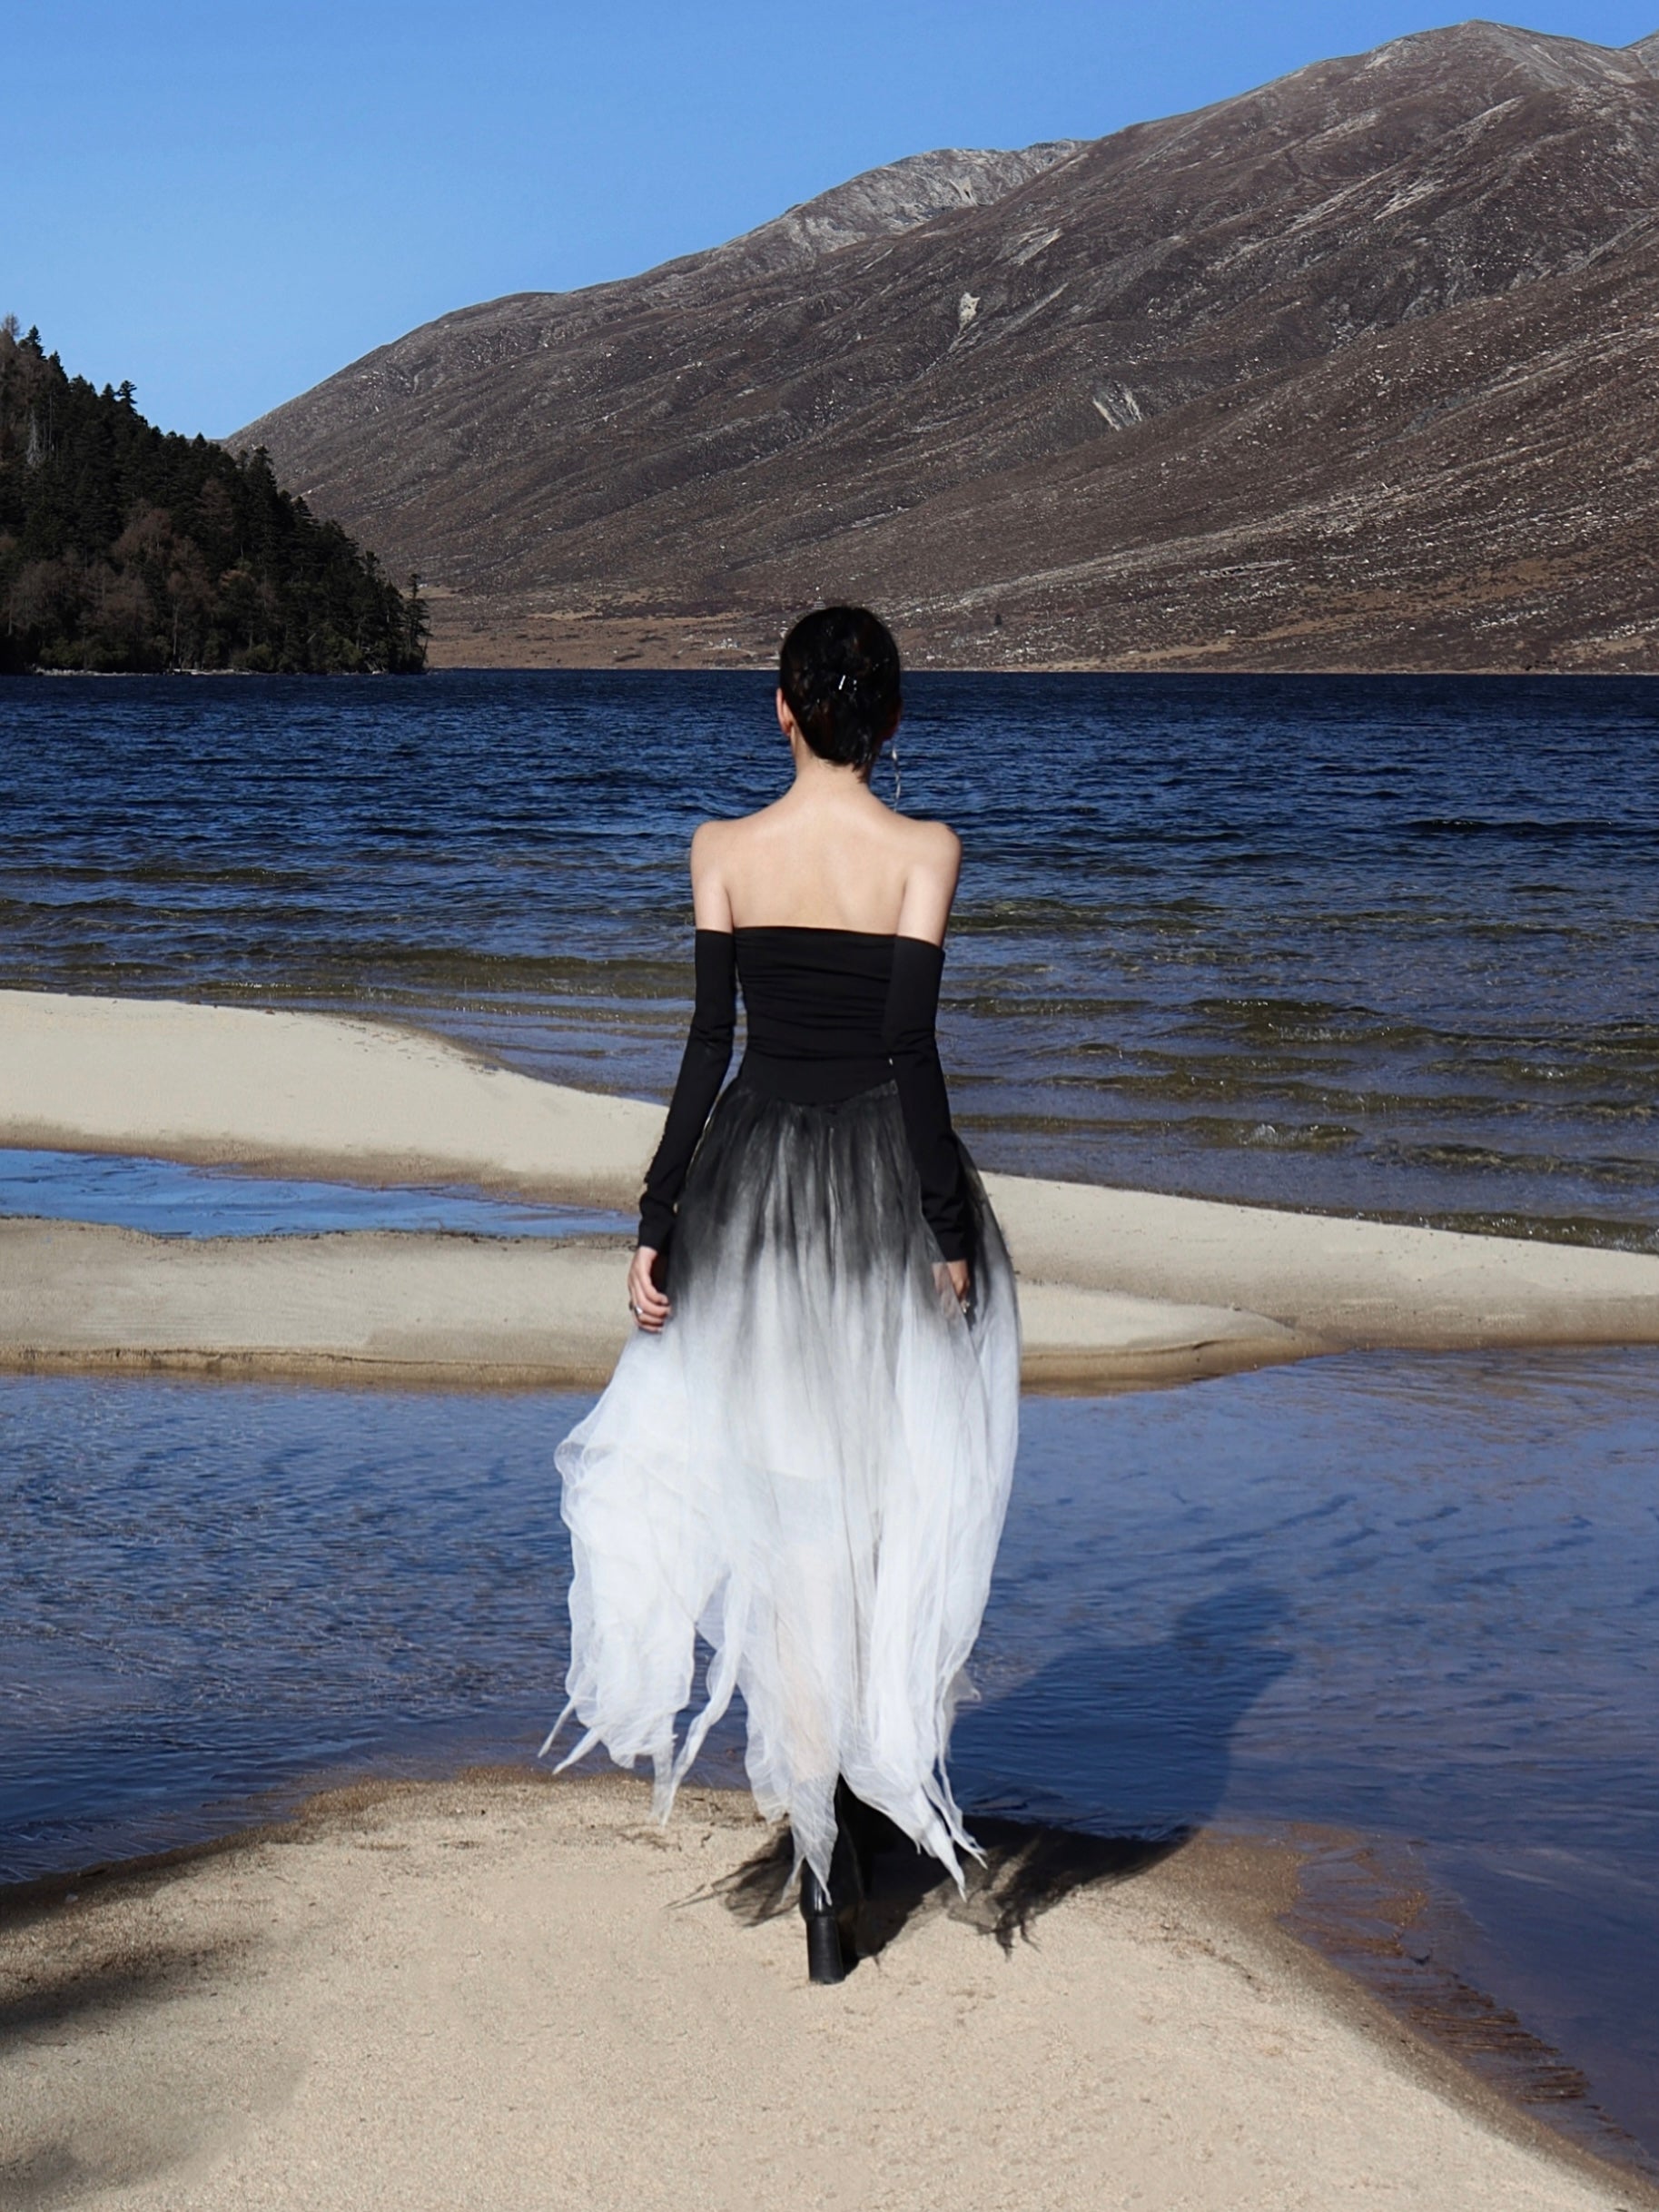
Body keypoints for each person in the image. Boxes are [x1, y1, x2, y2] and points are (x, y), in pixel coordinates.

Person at [547, 605, 1020, 1983]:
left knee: (794, 1511)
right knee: (879, 1503)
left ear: (782, 708)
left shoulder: (723, 850)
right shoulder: (927, 852)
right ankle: (850, 1806)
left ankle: (825, 1870)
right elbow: (910, 1051)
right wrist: (948, 1228)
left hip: (752, 1190)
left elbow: (710, 1046)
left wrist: (658, 1219)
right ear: (893, 720)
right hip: (880, 1192)